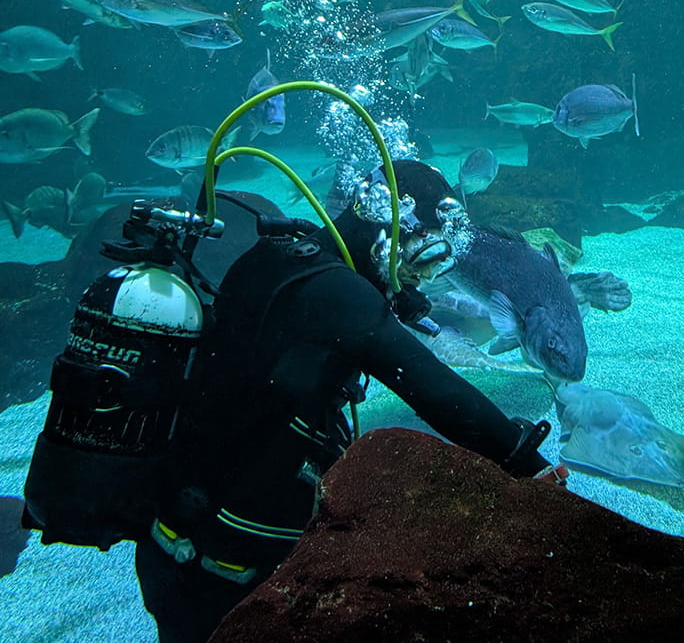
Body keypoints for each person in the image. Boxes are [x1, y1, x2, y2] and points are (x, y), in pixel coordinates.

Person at [133, 160, 566, 642]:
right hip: (230, 557)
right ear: (398, 231)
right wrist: (528, 463)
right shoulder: (340, 294)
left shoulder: (289, 256)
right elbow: (437, 392)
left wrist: (394, 295)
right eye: (424, 258)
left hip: (172, 533)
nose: (422, 278)